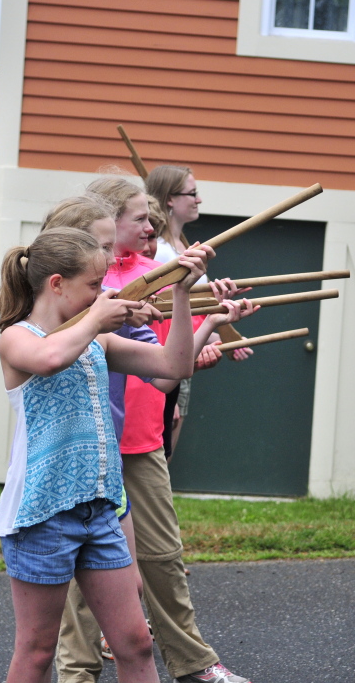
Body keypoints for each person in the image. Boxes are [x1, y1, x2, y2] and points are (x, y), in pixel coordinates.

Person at [0, 226, 215, 683]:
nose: (104, 293)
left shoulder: (98, 340)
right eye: (94, 286)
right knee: (36, 652)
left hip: (99, 509)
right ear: (57, 284)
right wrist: (99, 316)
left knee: (135, 643)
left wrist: (181, 293)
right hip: (42, 514)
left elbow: (175, 367)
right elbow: (50, 359)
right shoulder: (17, 338)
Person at [85, 175, 257, 683]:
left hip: (141, 433)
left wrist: (210, 321)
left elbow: (163, 363)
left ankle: (193, 662)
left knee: (163, 555)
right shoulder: (87, 281)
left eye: (152, 215)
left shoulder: (157, 270)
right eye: (139, 216)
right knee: (82, 564)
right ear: (107, 221)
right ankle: (79, 670)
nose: (151, 224)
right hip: (93, 442)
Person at [146, 165, 206, 452]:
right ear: (170, 199)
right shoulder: (160, 253)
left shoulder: (181, 246)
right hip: (160, 359)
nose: (199, 199)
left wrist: (218, 338)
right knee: (159, 454)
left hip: (183, 354)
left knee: (164, 456)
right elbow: (160, 316)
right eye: (192, 193)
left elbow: (197, 310)